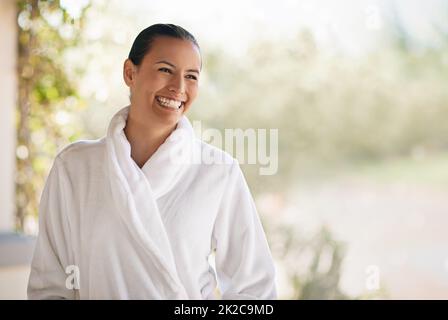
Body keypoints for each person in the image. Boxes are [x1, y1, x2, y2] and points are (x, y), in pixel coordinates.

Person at [27, 23, 277, 299]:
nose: (178, 87)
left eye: (191, 76)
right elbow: (50, 284)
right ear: (130, 73)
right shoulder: (74, 168)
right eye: (165, 70)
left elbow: (254, 290)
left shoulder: (219, 172)